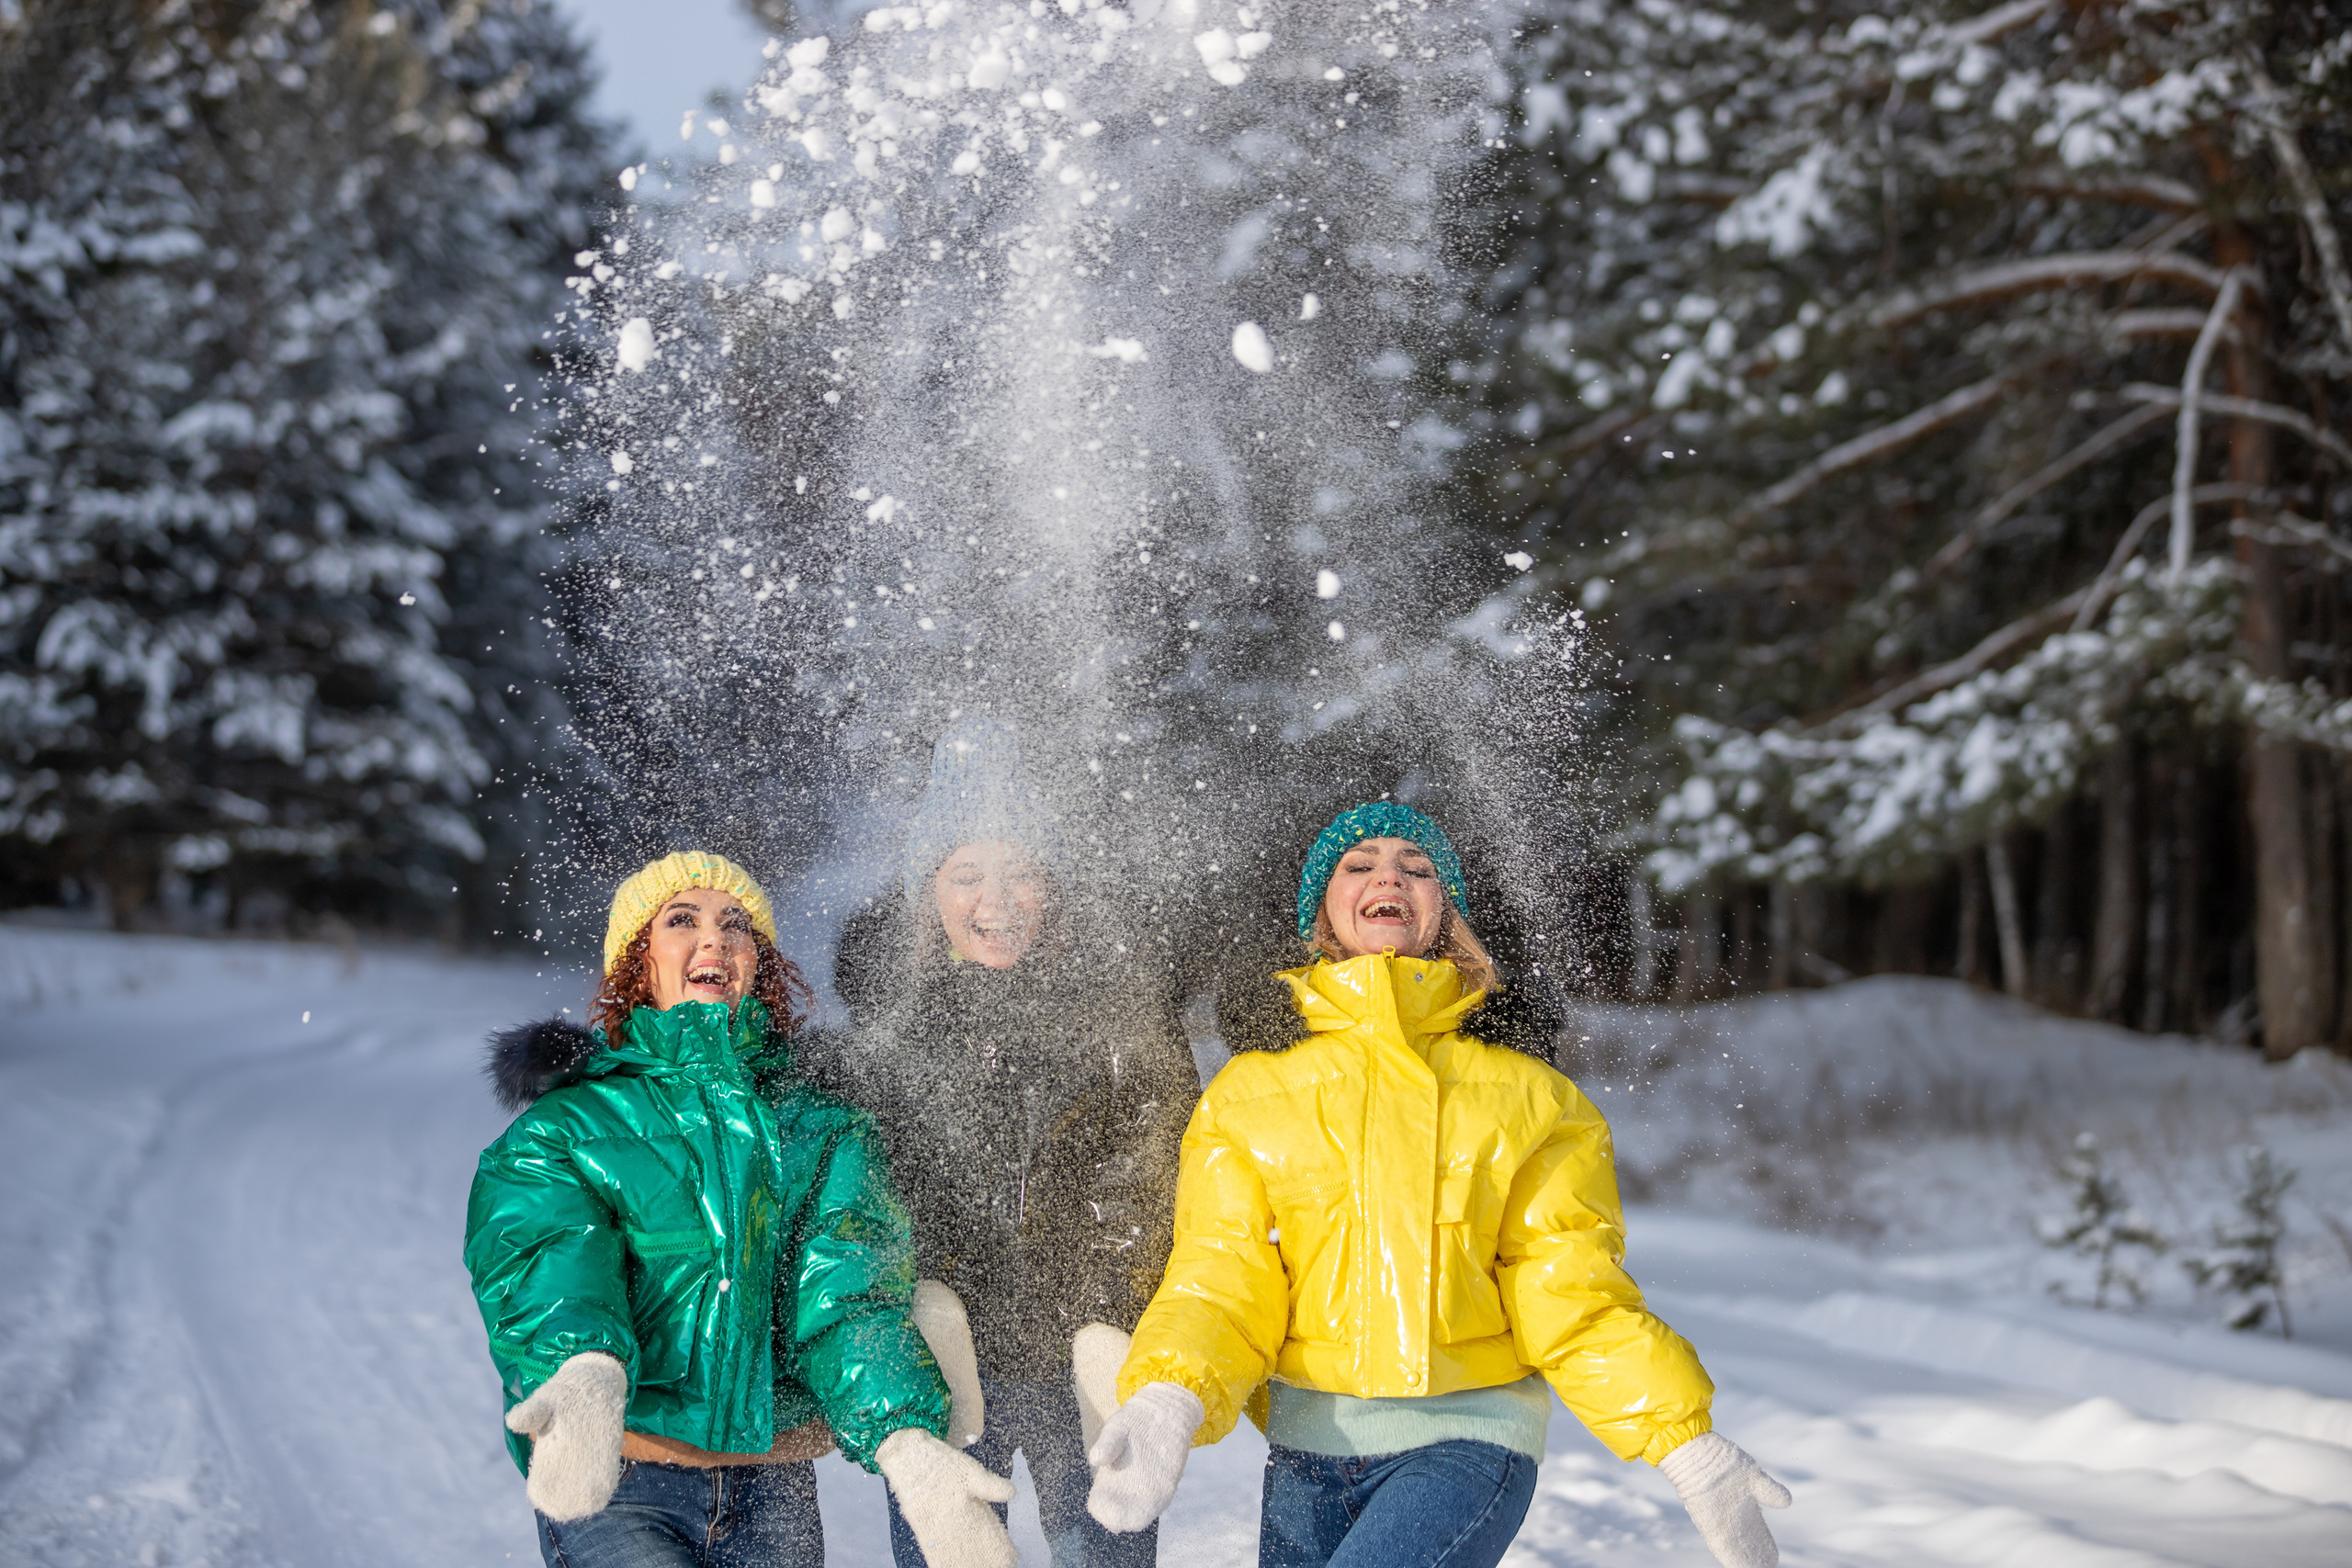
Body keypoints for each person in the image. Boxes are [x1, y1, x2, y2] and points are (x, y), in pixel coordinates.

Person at [1083, 803, 1792, 1568]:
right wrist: (1170, 1392)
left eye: (1416, 868)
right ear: (1321, 913)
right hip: (1306, 1454)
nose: (1389, 876)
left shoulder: (1532, 1095)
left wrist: (1685, 1441)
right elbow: (1222, 1270)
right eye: (1360, 864)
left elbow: (1569, 1287)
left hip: (1469, 1441)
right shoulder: (1248, 1094)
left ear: (1444, 911)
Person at [465, 851, 1019, 1568]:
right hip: (624, 1481)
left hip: (771, 1490)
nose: (716, 938)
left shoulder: (821, 1126)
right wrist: (583, 1368)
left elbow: (848, 1300)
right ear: (638, 960)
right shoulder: (566, 1127)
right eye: (682, 919)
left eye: (737, 925)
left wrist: (906, 1440)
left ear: (759, 963)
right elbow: (548, 1258)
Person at [803, 720, 1199, 1568]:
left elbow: (1157, 1164)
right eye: (967, 874)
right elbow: (854, 1195)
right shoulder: (884, 1034)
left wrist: (1107, 1312)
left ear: (1053, 885)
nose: (998, 899)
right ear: (928, 892)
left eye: (1022, 871)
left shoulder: (1118, 1014)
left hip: (1084, 1362)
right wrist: (924, 1300)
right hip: (943, 1370)